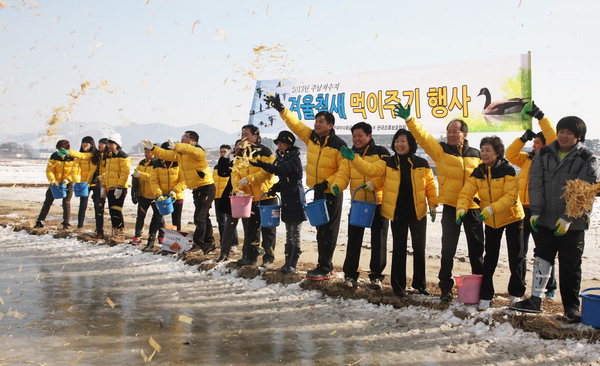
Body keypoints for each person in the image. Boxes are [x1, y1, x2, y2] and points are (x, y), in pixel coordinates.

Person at [512, 116, 599, 323]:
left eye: (569, 133)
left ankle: (571, 307)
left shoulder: (587, 158)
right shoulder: (544, 154)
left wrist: (568, 218)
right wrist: (535, 211)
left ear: (578, 137)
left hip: (573, 224)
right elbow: (536, 184)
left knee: (570, 264)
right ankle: (535, 300)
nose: (564, 136)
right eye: (561, 131)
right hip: (545, 218)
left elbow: (585, 191)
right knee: (542, 258)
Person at [395, 102, 484, 301]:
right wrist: (410, 120)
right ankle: (445, 287)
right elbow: (424, 138)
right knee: (448, 250)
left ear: (465, 134)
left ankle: (480, 290)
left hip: (473, 208)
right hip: (452, 207)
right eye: (448, 132)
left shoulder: (476, 155)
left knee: (477, 250)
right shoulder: (441, 151)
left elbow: (485, 181)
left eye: (455, 132)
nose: (451, 135)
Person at [341, 129, 437, 296]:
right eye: (397, 141)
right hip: (397, 212)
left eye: (403, 141)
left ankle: (420, 285)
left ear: (411, 144)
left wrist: (433, 204)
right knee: (399, 249)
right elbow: (373, 172)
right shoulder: (389, 162)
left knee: (419, 249)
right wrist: (369, 181)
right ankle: (398, 287)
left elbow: (430, 185)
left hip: (418, 212)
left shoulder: (422, 163)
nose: (399, 144)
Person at [265, 93, 348, 280]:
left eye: (321, 121)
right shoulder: (311, 138)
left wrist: (328, 183)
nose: (317, 124)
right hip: (317, 192)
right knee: (320, 230)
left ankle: (325, 268)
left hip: (332, 192)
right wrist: (281, 109)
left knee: (329, 231)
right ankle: (324, 265)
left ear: (330, 125)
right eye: (316, 121)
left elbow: (344, 170)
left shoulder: (339, 145)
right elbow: (295, 125)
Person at [456, 136, 526, 310]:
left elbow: (510, 197)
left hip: (512, 217)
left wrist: (491, 209)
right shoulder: (478, 171)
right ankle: (486, 294)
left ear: (497, 152)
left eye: (488, 150)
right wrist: (461, 209)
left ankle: (516, 293)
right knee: (490, 257)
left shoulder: (508, 170)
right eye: (482, 150)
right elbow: (466, 193)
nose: (484, 153)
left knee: (516, 256)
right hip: (492, 220)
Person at [506, 102, 558, 298]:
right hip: (522, 210)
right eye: (533, 142)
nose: (534, 145)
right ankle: (522, 286)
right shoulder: (526, 159)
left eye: (537, 142)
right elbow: (509, 154)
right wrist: (522, 139)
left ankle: (550, 288)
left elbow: (553, 136)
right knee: (521, 250)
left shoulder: (550, 159)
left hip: (540, 211)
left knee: (544, 251)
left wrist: (541, 117)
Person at [141, 131, 216, 254]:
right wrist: (153, 148)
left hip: (206, 187)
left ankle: (199, 244)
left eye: (185, 137)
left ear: (193, 140)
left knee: (199, 218)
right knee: (204, 217)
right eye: (182, 136)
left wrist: (176, 146)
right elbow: (165, 154)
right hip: (196, 188)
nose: (182, 138)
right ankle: (209, 242)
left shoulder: (198, 151)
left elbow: (190, 149)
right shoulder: (181, 155)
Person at [336, 122, 390, 289]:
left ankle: (376, 277)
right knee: (353, 240)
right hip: (358, 203)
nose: (356, 139)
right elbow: (343, 175)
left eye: (360, 135)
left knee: (378, 241)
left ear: (369, 136)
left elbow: (386, 173)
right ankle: (350, 275)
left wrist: (375, 184)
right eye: (354, 136)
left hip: (378, 203)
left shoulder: (381, 152)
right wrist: (337, 185)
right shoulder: (349, 154)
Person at [250, 130, 306, 273]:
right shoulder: (284, 157)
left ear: (288, 144)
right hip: (287, 197)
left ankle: (292, 263)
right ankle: (288, 262)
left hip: (295, 198)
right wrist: (274, 188)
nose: (279, 145)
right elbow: (284, 179)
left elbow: (281, 171)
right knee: (288, 231)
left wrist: (261, 164)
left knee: (295, 232)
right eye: (278, 143)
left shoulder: (294, 159)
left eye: (281, 143)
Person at [230, 125, 277, 267]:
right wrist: (238, 189)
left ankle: (268, 258)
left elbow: (268, 172)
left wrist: (250, 178)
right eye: (242, 133)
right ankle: (250, 257)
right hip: (248, 199)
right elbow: (235, 174)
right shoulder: (241, 154)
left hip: (266, 196)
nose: (244, 137)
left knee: (268, 229)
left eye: (247, 134)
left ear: (256, 136)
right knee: (251, 229)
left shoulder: (265, 152)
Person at [35, 139, 75, 230]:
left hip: (68, 183)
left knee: (66, 202)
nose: (58, 152)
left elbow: (75, 172)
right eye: (57, 150)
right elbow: (50, 169)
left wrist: (67, 180)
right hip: (55, 182)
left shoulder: (73, 157)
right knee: (48, 201)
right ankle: (40, 221)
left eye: (60, 150)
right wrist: (52, 180)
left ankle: (66, 223)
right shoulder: (54, 156)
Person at [150, 141, 186, 237]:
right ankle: (155, 238)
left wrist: (175, 190)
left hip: (176, 196)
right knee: (157, 217)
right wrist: (158, 194)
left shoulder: (179, 162)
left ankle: (175, 242)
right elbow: (153, 180)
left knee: (176, 220)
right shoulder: (156, 163)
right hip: (161, 197)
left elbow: (184, 180)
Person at [131, 148, 164, 247]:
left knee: (159, 217)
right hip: (143, 194)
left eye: (148, 152)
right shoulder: (142, 163)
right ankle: (138, 235)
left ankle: (161, 235)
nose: (146, 154)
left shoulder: (157, 163)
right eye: (145, 152)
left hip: (154, 194)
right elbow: (136, 174)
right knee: (140, 216)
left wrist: (141, 175)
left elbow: (154, 177)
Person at [213, 144, 239, 252]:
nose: (223, 153)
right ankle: (223, 242)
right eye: (221, 152)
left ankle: (234, 243)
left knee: (230, 220)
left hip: (228, 194)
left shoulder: (231, 165)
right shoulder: (216, 167)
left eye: (225, 151)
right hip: (217, 195)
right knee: (220, 221)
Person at [104, 133, 130, 239]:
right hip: (110, 187)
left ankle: (120, 230)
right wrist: (104, 184)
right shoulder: (109, 156)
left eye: (112, 143)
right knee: (111, 210)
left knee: (117, 209)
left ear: (117, 144)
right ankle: (114, 229)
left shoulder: (123, 156)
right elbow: (108, 172)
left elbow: (125, 172)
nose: (109, 146)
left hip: (119, 188)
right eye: (108, 143)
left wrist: (120, 186)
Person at [71, 136, 97, 230]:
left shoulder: (95, 155)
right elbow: (75, 169)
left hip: (95, 183)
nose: (84, 144)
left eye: (87, 143)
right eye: (83, 142)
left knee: (97, 205)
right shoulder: (79, 156)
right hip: (84, 183)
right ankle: (80, 226)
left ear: (91, 144)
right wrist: (78, 181)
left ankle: (98, 228)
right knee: (83, 205)